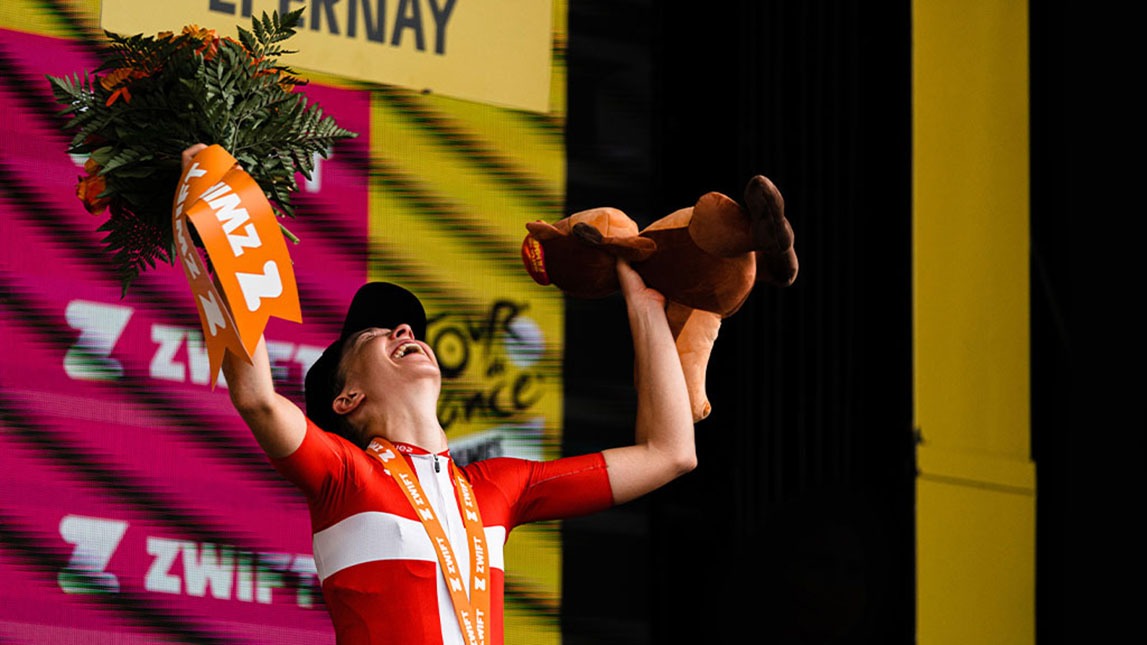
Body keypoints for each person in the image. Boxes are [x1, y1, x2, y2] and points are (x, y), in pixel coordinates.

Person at [183, 145, 696, 644]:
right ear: (347, 399)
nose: (404, 330)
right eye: (373, 336)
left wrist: (645, 306)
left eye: (405, 330)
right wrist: (219, 232)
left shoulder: (500, 487)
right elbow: (258, 399)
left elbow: (670, 453)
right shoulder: (344, 475)